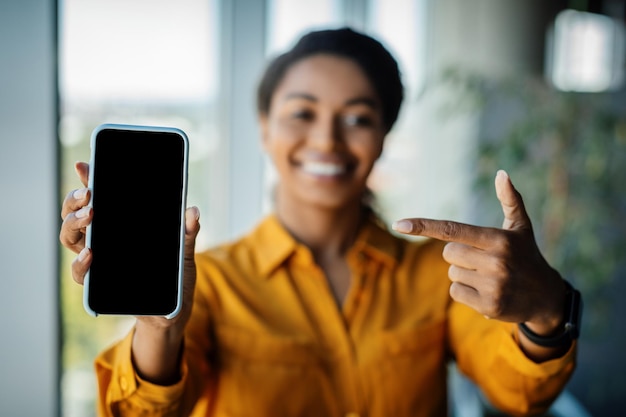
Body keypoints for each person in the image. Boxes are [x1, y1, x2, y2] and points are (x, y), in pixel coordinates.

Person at [60, 27, 579, 417]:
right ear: (265, 128)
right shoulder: (209, 283)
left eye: (357, 117)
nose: (327, 140)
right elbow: (141, 412)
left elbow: (520, 392)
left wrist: (546, 311)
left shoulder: (436, 273)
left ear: (384, 135)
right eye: (302, 113)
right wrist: (158, 326)